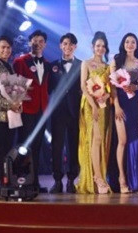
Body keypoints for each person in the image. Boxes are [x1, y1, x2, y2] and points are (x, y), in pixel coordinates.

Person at [12, 29, 50, 192]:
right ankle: (22, 181)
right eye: (35, 41)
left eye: (41, 41)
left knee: (37, 146)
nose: (37, 44)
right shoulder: (20, 61)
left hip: (42, 110)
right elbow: (13, 86)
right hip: (26, 109)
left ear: (45, 44)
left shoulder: (47, 64)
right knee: (24, 146)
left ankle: (34, 182)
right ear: (29, 43)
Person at [109, 32, 138, 193]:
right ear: (123, 44)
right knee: (122, 141)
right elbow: (112, 87)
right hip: (121, 103)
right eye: (127, 42)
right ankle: (122, 179)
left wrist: (136, 87)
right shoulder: (116, 61)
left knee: (135, 141)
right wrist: (116, 106)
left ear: (136, 45)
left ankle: (135, 180)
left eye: (133, 42)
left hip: (136, 104)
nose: (130, 44)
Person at [77, 31, 112, 194]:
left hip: (103, 105)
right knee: (94, 138)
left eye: (103, 46)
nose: (100, 48)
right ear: (93, 47)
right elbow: (83, 86)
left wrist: (106, 95)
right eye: (98, 45)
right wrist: (93, 105)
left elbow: (110, 88)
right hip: (90, 105)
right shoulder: (86, 63)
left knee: (99, 140)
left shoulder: (107, 67)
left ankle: (99, 176)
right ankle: (97, 178)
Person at [48, 33, 83, 193]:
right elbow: (48, 89)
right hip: (58, 113)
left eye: (71, 44)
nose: (67, 47)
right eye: (65, 44)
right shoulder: (53, 66)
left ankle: (71, 180)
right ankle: (57, 180)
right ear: (60, 46)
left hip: (75, 112)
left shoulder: (82, 65)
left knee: (74, 146)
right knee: (57, 147)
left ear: (75, 46)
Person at [0, 36, 18, 194]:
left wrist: (18, 104)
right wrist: (9, 105)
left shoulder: (10, 67)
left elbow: (14, 92)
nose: (6, 50)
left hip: (11, 116)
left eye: (8, 47)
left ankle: (4, 180)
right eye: (3, 47)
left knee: (7, 150)